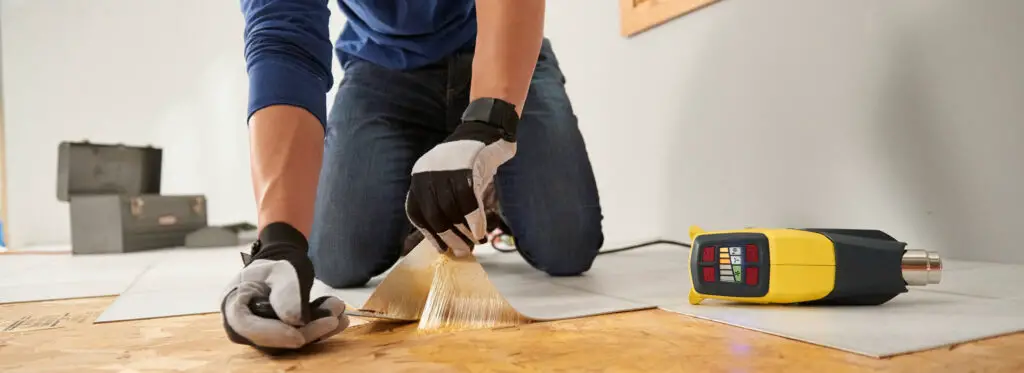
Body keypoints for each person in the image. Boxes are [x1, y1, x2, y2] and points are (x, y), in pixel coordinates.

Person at [221, 0, 605, 351]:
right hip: (380, 68)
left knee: (567, 246)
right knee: (340, 259)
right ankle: (421, 199)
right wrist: (278, 239)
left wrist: (488, 123)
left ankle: (489, 193)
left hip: (492, 36)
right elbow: (283, 36)